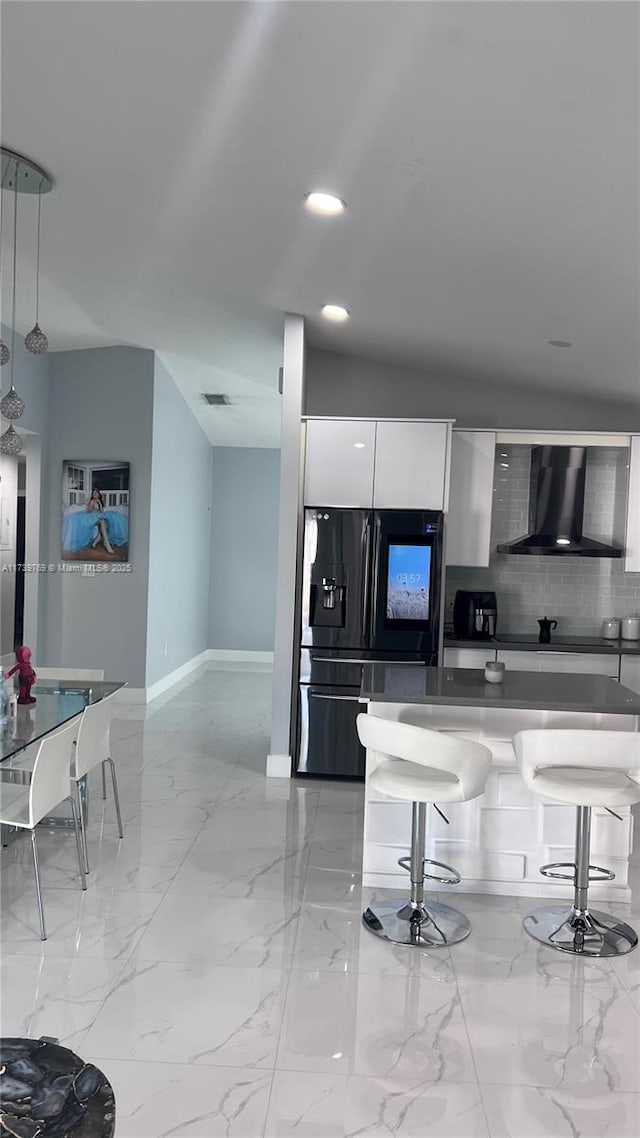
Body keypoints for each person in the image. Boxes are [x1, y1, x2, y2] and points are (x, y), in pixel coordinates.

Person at [62, 488, 128, 556]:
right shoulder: (92, 501)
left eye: (96, 493)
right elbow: (90, 511)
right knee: (102, 521)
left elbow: (102, 511)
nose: (94, 494)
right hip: (91, 517)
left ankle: (95, 543)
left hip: (98, 516)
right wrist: (94, 506)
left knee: (106, 523)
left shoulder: (99, 501)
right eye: (93, 493)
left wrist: (99, 503)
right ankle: (107, 545)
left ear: (99, 494)